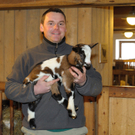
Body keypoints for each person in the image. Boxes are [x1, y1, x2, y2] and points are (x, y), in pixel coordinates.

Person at [5, 8, 102, 135]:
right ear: (41, 27)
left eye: (61, 23)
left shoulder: (79, 54)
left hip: (74, 131)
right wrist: (33, 90)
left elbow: (97, 87)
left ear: (66, 28)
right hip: (36, 132)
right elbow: (10, 89)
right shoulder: (27, 56)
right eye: (50, 23)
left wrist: (84, 82)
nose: (56, 27)